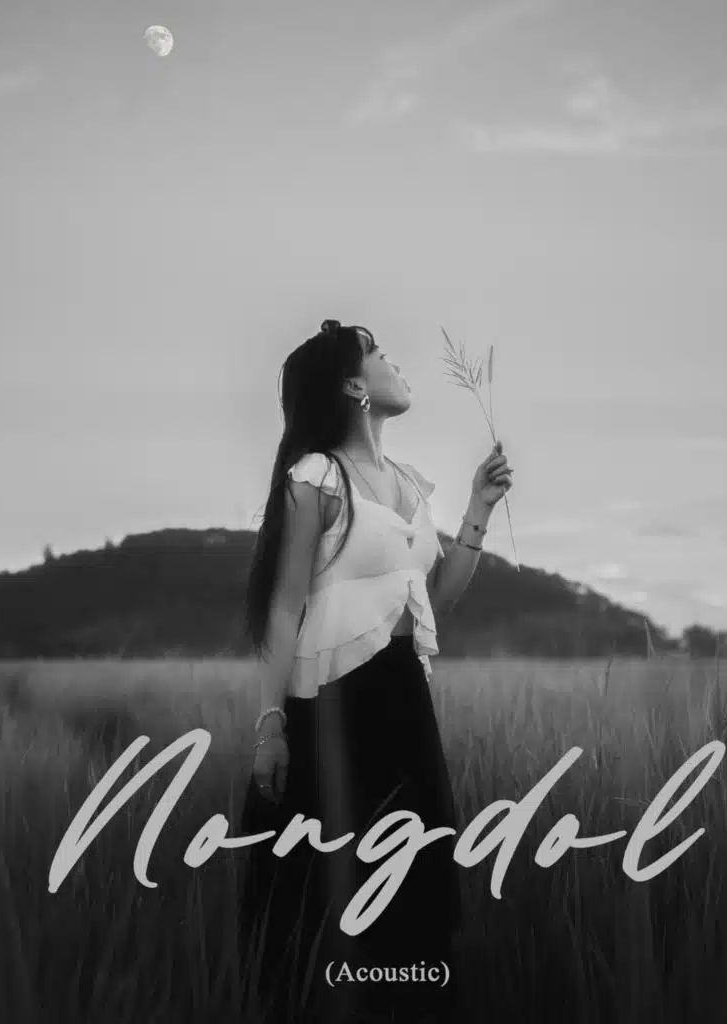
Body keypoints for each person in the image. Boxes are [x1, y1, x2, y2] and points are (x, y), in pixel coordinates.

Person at [237, 320, 514, 1023]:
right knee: (321, 886)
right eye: (380, 355)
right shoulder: (316, 477)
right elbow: (283, 607)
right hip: (331, 702)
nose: (397, 364)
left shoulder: (409, 486)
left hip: (402, 698)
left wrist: (479, 507)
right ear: (355, 386)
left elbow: (434, 597)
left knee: (414, 878)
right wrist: (270, 724)